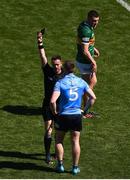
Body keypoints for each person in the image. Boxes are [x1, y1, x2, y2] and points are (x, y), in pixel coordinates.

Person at [50, 60, 96, 175]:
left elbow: (52, 101)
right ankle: (75, 168)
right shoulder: (81, 82)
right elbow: (93, 98)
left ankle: (60, 165)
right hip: (76, 116)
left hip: (63, 115)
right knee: (75, 141)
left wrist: (55, 112)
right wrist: (84, 111)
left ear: (64, 69)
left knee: (59, 140)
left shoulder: (60, 83)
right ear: (74, 69)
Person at [37, 30, 64, 164]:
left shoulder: (66, 75)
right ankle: (48, 155)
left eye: (58, 64)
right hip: (48, 105)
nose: (56, 67)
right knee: (48, 129)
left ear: (61, 64)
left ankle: (57, 152)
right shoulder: (48, 70)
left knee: (59, 132)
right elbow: (42, 57)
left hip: (60, 107)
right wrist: (40, 41)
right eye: (54, 65)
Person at [76, 10, 100, 118]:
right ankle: (83, 111)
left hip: (83, 60)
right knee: (89, 85)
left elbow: (83, 43)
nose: (96, 23)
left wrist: (93, 48)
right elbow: (85, 51)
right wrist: (93, 61)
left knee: (89, 83)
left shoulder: (85, 26)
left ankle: (85, 109)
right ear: (89, 18)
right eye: (94, 21)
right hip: (85, 61)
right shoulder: (86, 30)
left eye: (97, 21)